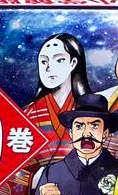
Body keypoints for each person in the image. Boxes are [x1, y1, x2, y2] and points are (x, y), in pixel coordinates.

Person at [22, 34, 92, 170]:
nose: (49, 68)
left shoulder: (93, 110)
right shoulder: (27, 114)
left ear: (73, 63)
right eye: (44, 62)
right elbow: (15, 166)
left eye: (59, 60)